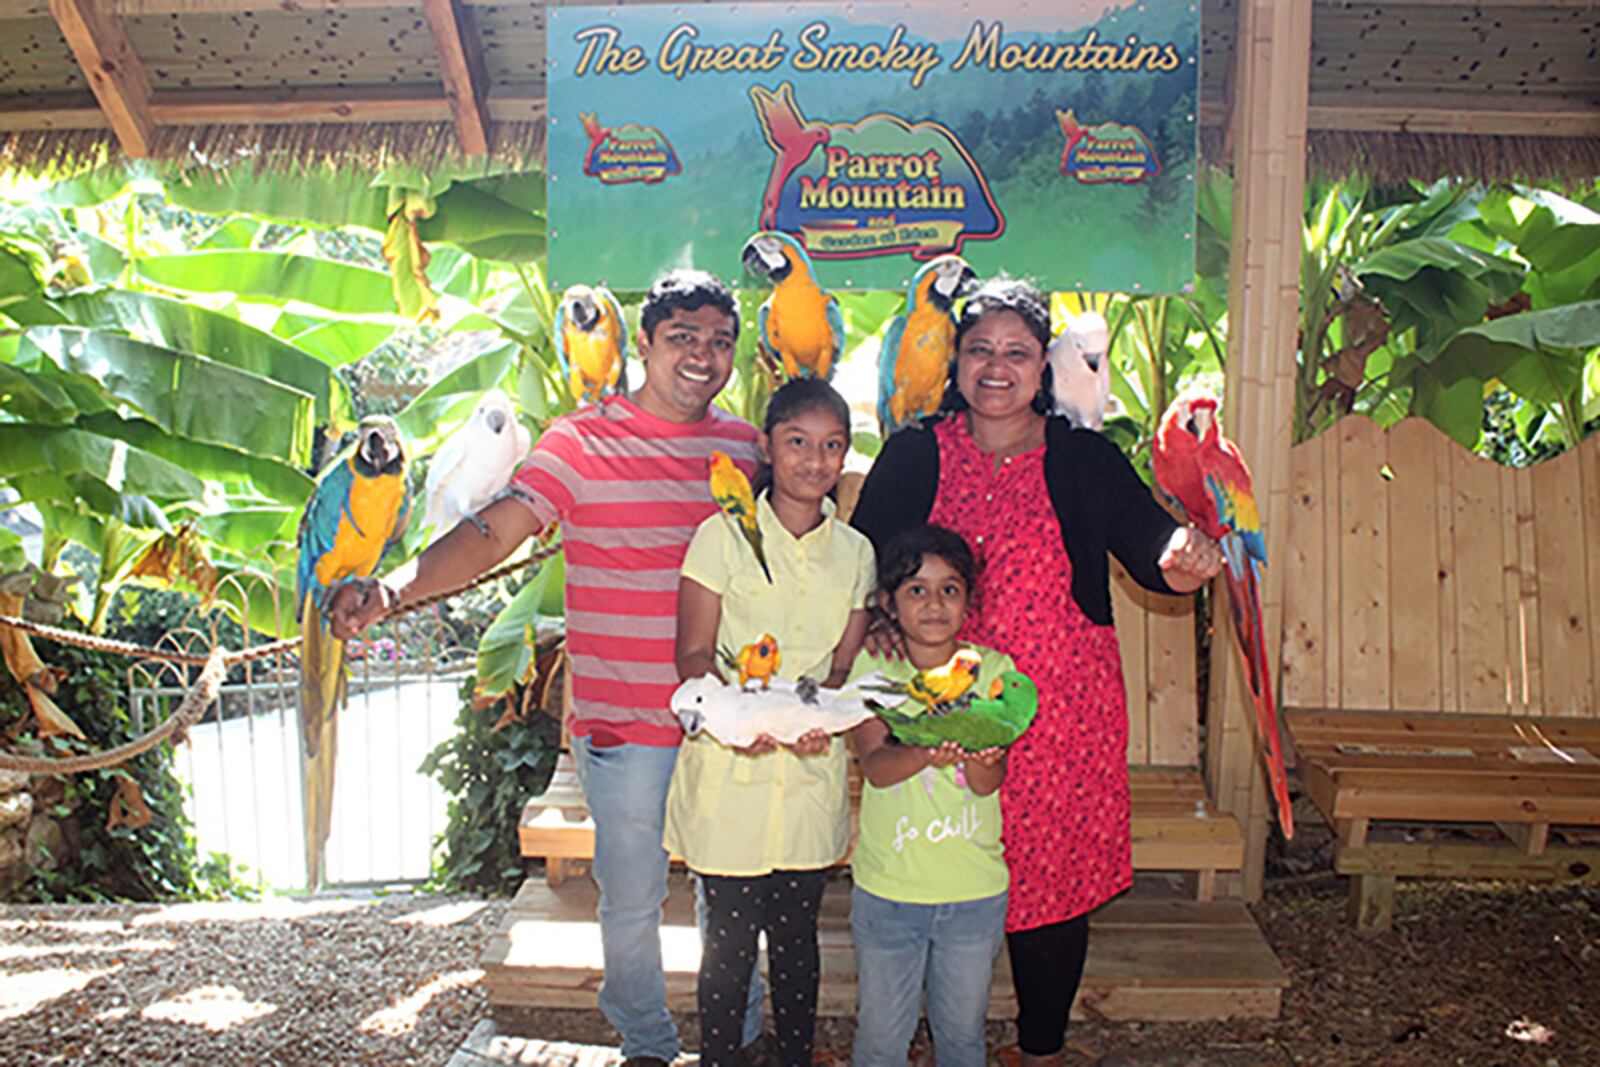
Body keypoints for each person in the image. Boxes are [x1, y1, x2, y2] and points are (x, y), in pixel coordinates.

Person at [329, 269, 766, 1067]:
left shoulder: (742, 446)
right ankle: (646, 1041)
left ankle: (740, 1040)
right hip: (625, 725)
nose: (703, 356)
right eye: (683, 339)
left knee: (732, 899)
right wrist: (390, 590)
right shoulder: (579, 441)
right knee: (632, 901)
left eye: (719, 342)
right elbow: (494, 535)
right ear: (642, 344)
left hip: (723, 725)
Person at [848, 278, 1223, 1067]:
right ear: (954, 362)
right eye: (979, 349)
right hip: (932, 715)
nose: (996, 367)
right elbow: (860, 566)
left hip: (1060, 712)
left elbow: (1147, 541)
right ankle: (942, 1038)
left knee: (1049, 879)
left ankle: (1039, 1049)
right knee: (939, 864)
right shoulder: (916, 452)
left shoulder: (1082, 456)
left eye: (1017, 352)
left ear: (1042, 367)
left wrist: (1180, 557)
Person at [665, 377, 875, 1067]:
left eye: (831, 446)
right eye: (797, 442)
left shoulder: (855, 553)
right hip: (731, 778)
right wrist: (740, 716)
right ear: (766, 445)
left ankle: (794, 1057)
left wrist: (823, 721)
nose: (815, 461)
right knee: (726, 948)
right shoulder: (720, 537)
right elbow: (693, 656)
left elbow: (841, 668)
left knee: (796, 944)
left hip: (810, 771)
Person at [847, 523, 1014, 1067]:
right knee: (880, 1040)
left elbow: (989, 782)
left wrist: (984, 757)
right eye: (916, 589)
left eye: (950, 588)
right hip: (889, 893)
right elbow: (875, 766)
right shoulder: (875, 669)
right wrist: (926, 750)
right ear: (888, 605)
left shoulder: (993, 672)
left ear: (969, 599)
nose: (934, 603)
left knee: (963, 1037)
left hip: (973, 893)